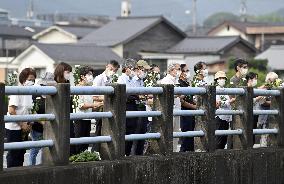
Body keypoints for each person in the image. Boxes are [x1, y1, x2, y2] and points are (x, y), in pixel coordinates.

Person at [6, 68, 36, 167]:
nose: (32, 82)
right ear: (23, 79)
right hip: (14, 127)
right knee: (14, 154)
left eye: (33, 80)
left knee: (21, 153)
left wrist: (29, 124)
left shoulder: (29, 93)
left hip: (24, 128)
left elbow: (29, 110)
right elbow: (11, 110)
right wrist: (21, 124)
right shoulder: (17, 91)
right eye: (30, 79)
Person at [29, 72, 56, 166]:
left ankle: (42, 165)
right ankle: (31, 166)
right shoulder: (35, 95)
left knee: (46, 148)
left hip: (50, 127)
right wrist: (42, 122)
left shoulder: (53, 95)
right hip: (38, 127)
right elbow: (32, 110)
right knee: (35, 149)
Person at [92, 60, 120, 152]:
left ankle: (103, 151)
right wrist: (107, 98)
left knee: (107, 131)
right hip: (100, 108)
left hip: (107, 108)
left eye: (114, 70)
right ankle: (95, 151)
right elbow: (94, 96)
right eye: (111, 69)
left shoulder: (112, 79)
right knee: (99, 130)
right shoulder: (99, 78)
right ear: (107, 66)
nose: (112, 71)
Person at [54, 62, 76, 156]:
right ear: (61, 71)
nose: (69, 74)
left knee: (70, 138)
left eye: (70, 72)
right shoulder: (53, 83)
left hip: (68, 115)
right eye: (67, 72)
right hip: (58, 116)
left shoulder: (67, 83)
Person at [117, 59, 138, 156]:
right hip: (126, 105)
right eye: (132, 68)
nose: (134, 71)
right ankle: (123, 152)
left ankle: (128, 152)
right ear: (126, 69)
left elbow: (136, 93)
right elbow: (124, 94)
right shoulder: (121, 78)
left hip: (133, 104)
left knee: (132, 129)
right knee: (126, 129)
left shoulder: (132, 79)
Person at [160, 63, 181, 152]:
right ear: (171, 70)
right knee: (169, 131)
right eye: (177, 69)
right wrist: (178, 94)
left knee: (176, 132)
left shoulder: (176, 81)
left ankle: (174, 151)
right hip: (169, 110)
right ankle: (167, 151)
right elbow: (167, 95)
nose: (179, 71)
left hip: (177, 109)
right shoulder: (166, 80)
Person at [131, 60, 150, 155]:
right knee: (136, 131)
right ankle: (133, 154)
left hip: (142, 107)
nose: (145, 72)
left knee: (143, 131)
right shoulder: (132, 79)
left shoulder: (141, 80)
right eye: (144, 70)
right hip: (136, 107)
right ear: (138, 69)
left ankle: (139, 154)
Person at [178, 64, 196, 152]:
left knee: (191, 134)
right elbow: (181, 101)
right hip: (184, 112)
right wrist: (194, 107)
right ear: (181, 72)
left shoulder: (187, 83)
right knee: (186, 134)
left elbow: (191, 98)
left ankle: (190, 152)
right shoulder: (179, 83)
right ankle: (183, 152)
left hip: (191, 111)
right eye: (186, 70)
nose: (188, 72)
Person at [215, 71, 233, 149]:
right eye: (220, 78)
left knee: (223, 140)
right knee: (219, 140)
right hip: (220, 117)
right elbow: (217, 104)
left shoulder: (225, 90)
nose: (222, 80)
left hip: (226, 118)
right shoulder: (216, 90)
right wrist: (229, 101)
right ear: (216, 80)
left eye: (223, 78)